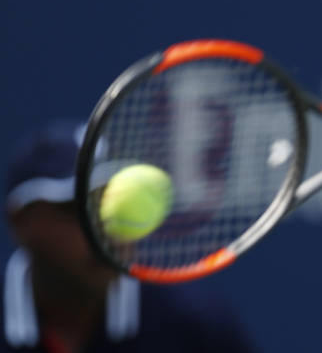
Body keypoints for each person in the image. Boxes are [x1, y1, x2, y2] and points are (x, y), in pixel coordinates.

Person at [2, 119, 260, 353]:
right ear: (22, 222)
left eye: (114, 204)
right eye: (79, 209)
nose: (105, 231)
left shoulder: (197, 324)